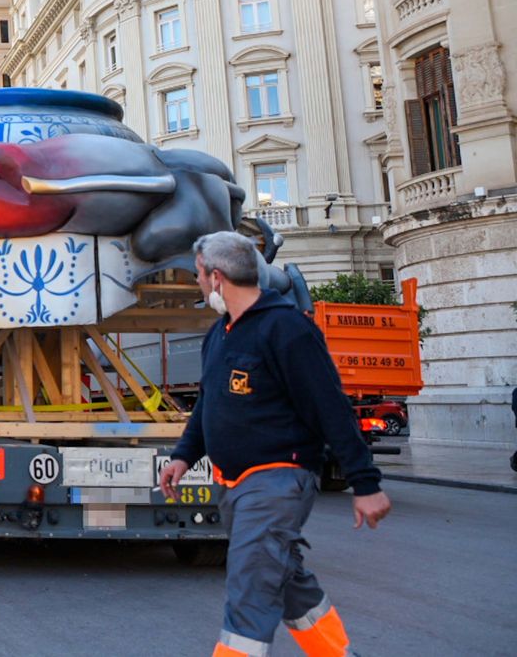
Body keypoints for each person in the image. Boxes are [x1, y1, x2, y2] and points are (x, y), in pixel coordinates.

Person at [159, 231, 390, 657]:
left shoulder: (287, 329)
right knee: (283, 576)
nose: (196, 284)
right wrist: (184, 455)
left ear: (216, 277)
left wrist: (365, 483)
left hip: (277, 481)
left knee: (249, 588)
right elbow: (210, 403)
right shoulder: (221, 333)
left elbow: (330, 407)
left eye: (197, 275)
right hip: (236, 485)